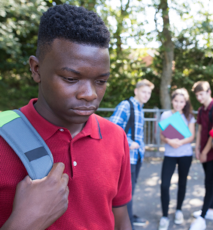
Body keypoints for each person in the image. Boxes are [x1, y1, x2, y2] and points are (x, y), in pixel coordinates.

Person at [0, 4, 132, 230]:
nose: (90, 94)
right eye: (71, 79)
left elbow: (120, 218)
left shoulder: (115, 136)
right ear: (36, 69)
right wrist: (24, 222)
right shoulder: (3, 137)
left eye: (101, 81)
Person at [110, 79, 154, 229]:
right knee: (125, 192)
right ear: (136, 91)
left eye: (149, 93)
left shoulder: (140, 108)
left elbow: (137, 133)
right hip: (126, 157)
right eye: (144, 91)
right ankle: (126, 224)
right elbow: (113, 128)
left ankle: (128, 217)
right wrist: (129, 143)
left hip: (136, 157)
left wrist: (142, 147)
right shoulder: (126, 105)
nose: (146, 95)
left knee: (129, 191)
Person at [158, 88, 195, 230]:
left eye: (182, 101)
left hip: (185, 154)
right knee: (165, 185)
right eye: (176, 101)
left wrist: (178, 142)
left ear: (185, 103)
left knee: (182, 183)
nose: (178, 104)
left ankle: (179, 210)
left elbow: (191, 136)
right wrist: (169, 142)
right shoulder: (165, 115)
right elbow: (162, 135)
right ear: (172, 101)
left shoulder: (189, 116)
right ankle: (164, 216)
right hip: (170, 154)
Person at [189, 81, 213, 230]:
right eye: (197, 95)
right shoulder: (201, 110)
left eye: (201, 94)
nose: (199, 97)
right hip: (202, 151)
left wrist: (204, 152)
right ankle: (212, 210)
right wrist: (197, 148)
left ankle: (202, 217)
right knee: (210, 182)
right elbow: (200, 130)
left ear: (209, 92)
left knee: (209, 183)